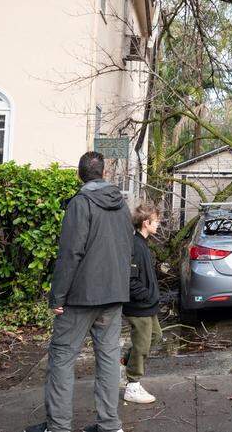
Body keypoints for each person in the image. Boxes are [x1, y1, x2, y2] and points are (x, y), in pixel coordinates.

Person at [26, 152, 134, 432]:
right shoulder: (122, 205)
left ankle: (58, 427)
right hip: (113, 294)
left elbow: (70, 252)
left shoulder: (80, 203)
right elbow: (126, 247)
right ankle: (110, 425)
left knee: (62, 357)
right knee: (109, 358)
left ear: (80, 174)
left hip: (80, 297)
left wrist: (58, 296)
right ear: (104, 172)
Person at [122, 201, 163, 405]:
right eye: (156, 221)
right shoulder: (135, 246)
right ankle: (133, 385)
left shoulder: (143, 244)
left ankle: (127, 360)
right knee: (142, 344)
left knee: (156, 336)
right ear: (146, 222)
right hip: (138, 306)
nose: (159, 225)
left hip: (147, 305)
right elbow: (130, 280)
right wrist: (146, 295)